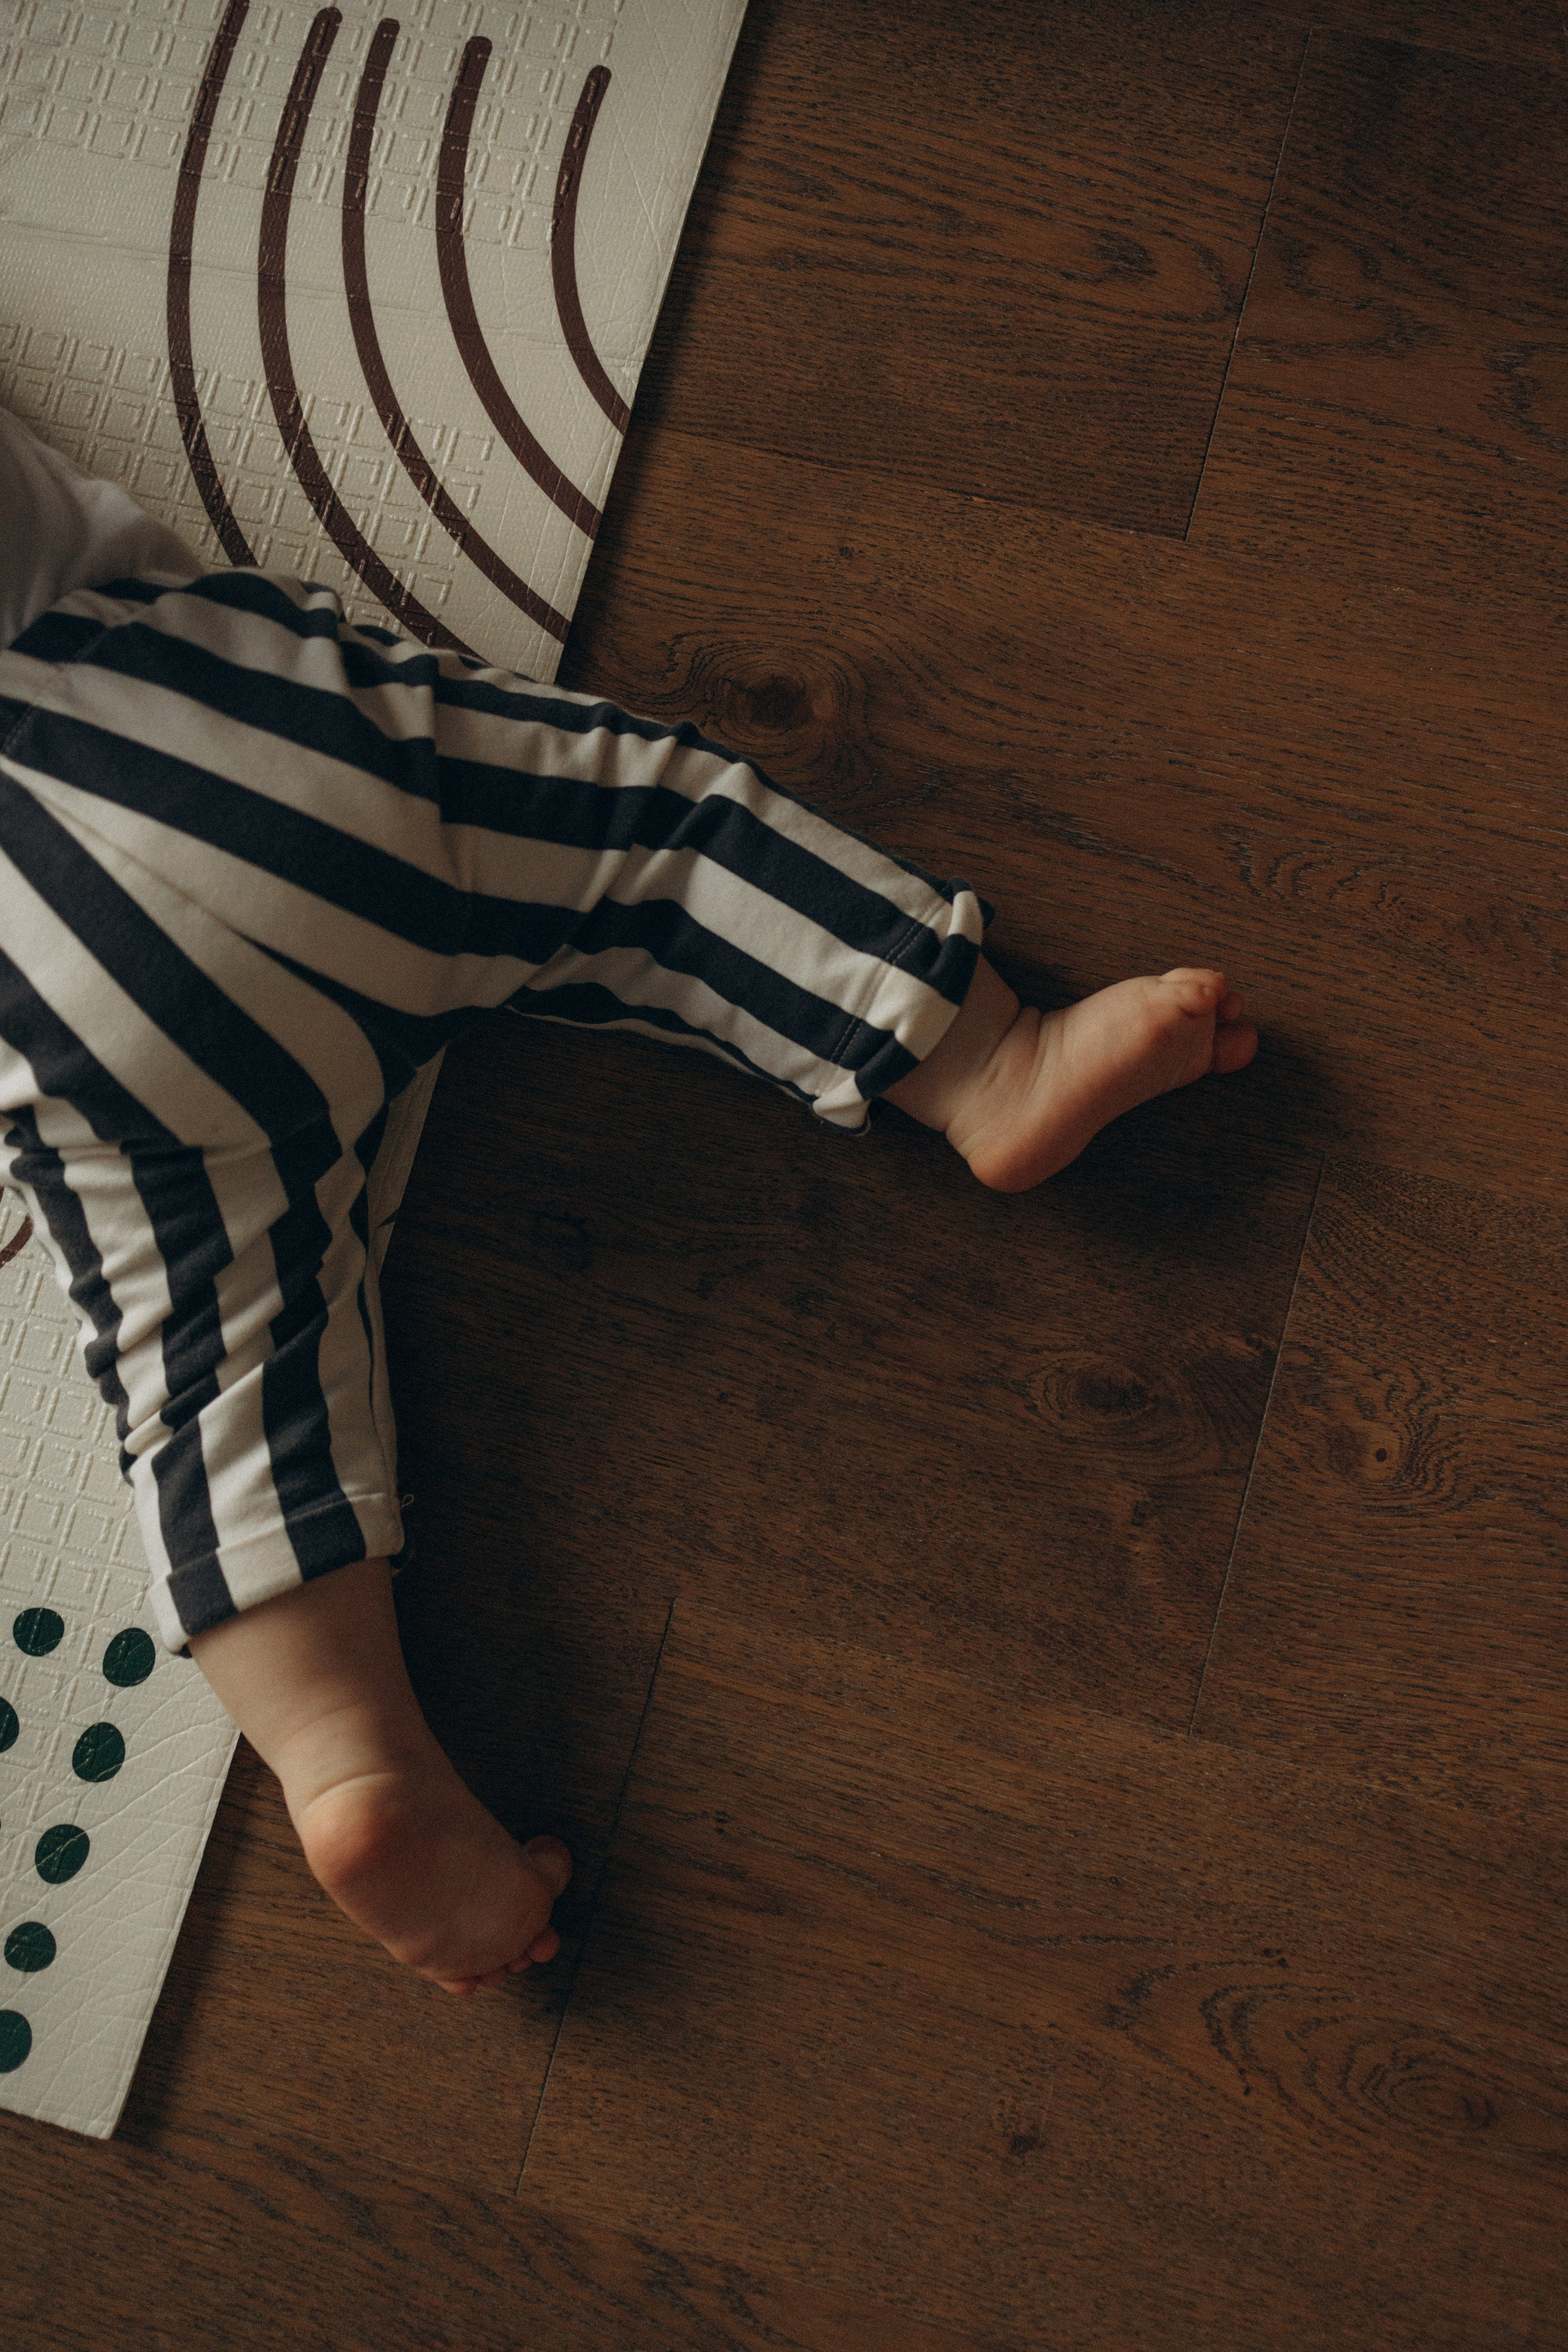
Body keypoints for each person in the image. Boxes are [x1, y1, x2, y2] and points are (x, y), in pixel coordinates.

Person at [0, 410, 1257, 1993]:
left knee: (213, 1372)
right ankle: (989, 1061)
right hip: (199, 738)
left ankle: (347, 1757)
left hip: (61, 1007)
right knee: (652, 843)